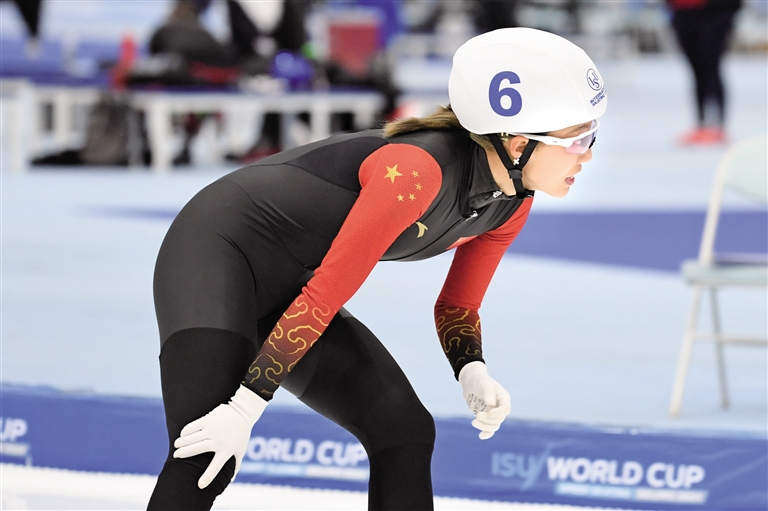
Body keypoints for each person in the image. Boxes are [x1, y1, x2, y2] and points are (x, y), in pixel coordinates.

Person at [146, 27, 607, 510]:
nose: (589, 154)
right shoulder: (415, 172)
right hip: (216, 252)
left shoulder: (511, 203)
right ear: (518, 144)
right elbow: (328, 292)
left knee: (404, 433)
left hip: (293, 285)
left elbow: (457, 305)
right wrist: (245, 406)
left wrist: (472, 370)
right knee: (205, 453)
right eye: (578, 140)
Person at [667, 0, 742, 145]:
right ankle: (701, 124)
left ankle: (718, 125)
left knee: (711, 65)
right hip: (683, 11)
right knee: (697, 69)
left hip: (714, 11)